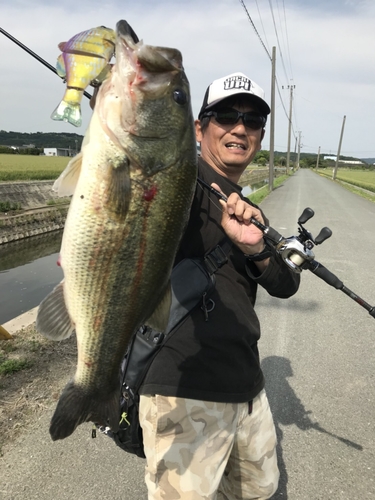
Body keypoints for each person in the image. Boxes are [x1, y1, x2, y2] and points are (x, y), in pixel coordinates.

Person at [138, 71, 301, 500]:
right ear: (199, 127)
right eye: (226, 115)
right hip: (183, 389)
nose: (239, 128)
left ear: (260, 138)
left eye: (252, 121)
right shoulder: (176, 185)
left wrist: (256, 248)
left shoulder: (248, 208)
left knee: (260, 492)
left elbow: (285, 284)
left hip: (247, 386)